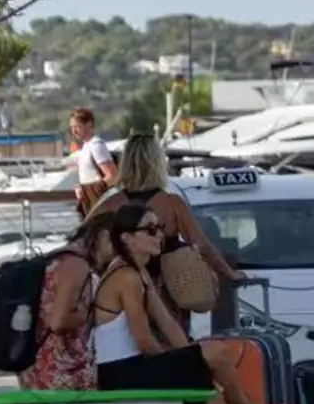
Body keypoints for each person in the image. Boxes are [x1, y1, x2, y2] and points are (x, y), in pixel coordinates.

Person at [93, 203, 291, 404]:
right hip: (120, 373)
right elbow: (144, 340)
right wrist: (187, 361)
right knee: (217, 352)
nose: (159, 235)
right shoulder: (125, 277)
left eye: (160, 227)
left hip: (132, 367)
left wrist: (191, 359)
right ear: (127, 238)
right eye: (150, 229)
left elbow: (168, 325)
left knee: (211, 395)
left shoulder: (138, 272)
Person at [93, 134, 243, 327]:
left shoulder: (110, 204)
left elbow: (85, 241)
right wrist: (229, 273)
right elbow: (202, 245)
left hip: (122, 292)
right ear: (157, 163)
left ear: (125, 164)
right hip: (168, 293)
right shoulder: (172, 204)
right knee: (171, 338)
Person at [18, 211, 117, 391]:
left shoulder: (60, 257)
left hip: (41, 364)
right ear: (104, 235)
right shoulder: (76, 264)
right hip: (59, 369)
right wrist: (91, 314)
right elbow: (58, 321)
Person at [70, 107, 117, 218]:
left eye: (77, 127)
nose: (74, 131)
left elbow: (113, 175)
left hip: (101, 206)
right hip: (92, 205)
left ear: (89, 125)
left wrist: (86, 190)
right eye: (72, 127)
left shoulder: (96, 146)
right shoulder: (86, 147)